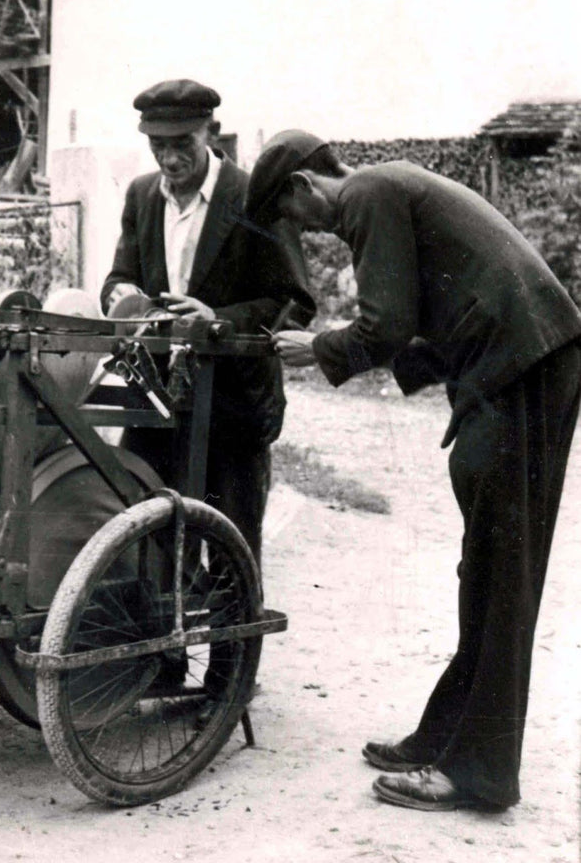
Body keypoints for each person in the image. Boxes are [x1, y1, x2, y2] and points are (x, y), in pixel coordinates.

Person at [245, 129, 581, 812]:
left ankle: (481, 773)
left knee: (498, 569)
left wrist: (323, 349)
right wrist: (359, 352)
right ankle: (447, 735)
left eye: (291, 218)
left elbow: (387, 326)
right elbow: (433, 323)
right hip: (525, 363)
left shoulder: (367, 194)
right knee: (483, 567)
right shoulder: (390, 188)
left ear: (306, 187)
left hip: (527, 367)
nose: (304, 235)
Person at [102, 79, 314, 568]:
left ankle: (230, 648)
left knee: (230, 559)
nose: (170, 159)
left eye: (183, 145)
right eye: (158, 146)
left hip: (232, 409)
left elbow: (294, 302)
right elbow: (120, 275)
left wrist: (216, 318)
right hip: (154, 404)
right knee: (144, 550)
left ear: (211, 133)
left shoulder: (253, 198)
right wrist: (120, 294)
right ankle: (158, 648)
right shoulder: (141, 197)